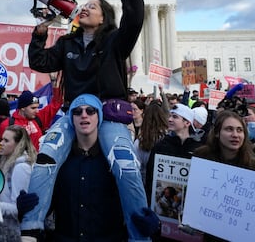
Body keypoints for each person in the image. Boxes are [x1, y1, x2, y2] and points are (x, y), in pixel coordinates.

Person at [22, 0, 151, 241]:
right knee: (46, 157)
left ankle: (139, 233)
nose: (86, 8)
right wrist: (39, 34)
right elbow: (39, 62)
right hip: (74, 114)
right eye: (85, 5)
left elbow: (134, 15)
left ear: (104, 17)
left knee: (126, 165)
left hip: (107, 115)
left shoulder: (116, 42)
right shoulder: (67, 43)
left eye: (93, 6)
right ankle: (30, 227)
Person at [19, 94, 160, 241]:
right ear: (72, 118)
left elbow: (132, 201)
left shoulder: (114, 163)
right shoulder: (60, 162)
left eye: (90, 111)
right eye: (77, 112)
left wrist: (151, 225)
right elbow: (48, 206)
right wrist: (26, 209)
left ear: (99, 117)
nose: (84, 115)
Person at [193, 111, 255, 242]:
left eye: (239, 130)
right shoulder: (202, 159)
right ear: (217, 133)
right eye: (229, 129)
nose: (235, 135)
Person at [0, 125, 37, 232]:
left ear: (18, 145)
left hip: (14, 232)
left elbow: (19, 208)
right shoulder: (9, 162)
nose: (1, 143)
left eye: (6, 140)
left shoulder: (21, 168)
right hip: (7, 229)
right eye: (2, 139)